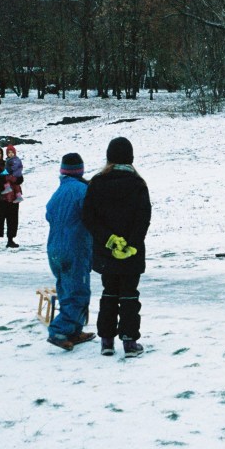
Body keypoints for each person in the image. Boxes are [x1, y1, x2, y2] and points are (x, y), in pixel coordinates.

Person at [82, 137, 152, 358]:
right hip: (131, 253)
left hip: (106, 252)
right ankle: (130, 342)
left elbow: (89, 217)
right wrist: (131, 243)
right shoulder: (138, 184)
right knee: (130, 295)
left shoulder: (97, 182)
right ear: (130, 158)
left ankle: (107, 341)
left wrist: (109, 240)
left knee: (109, 293)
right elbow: (143, 218)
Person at [45, 153, 96, 351]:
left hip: (54, 248)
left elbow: (49, 214)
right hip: (74, 248)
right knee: (79, 291)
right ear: (80, 170)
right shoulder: (82, 190)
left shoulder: (58, 193)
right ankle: (59, 330)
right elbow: (91, 216)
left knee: (66, 289)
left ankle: (74, 331)